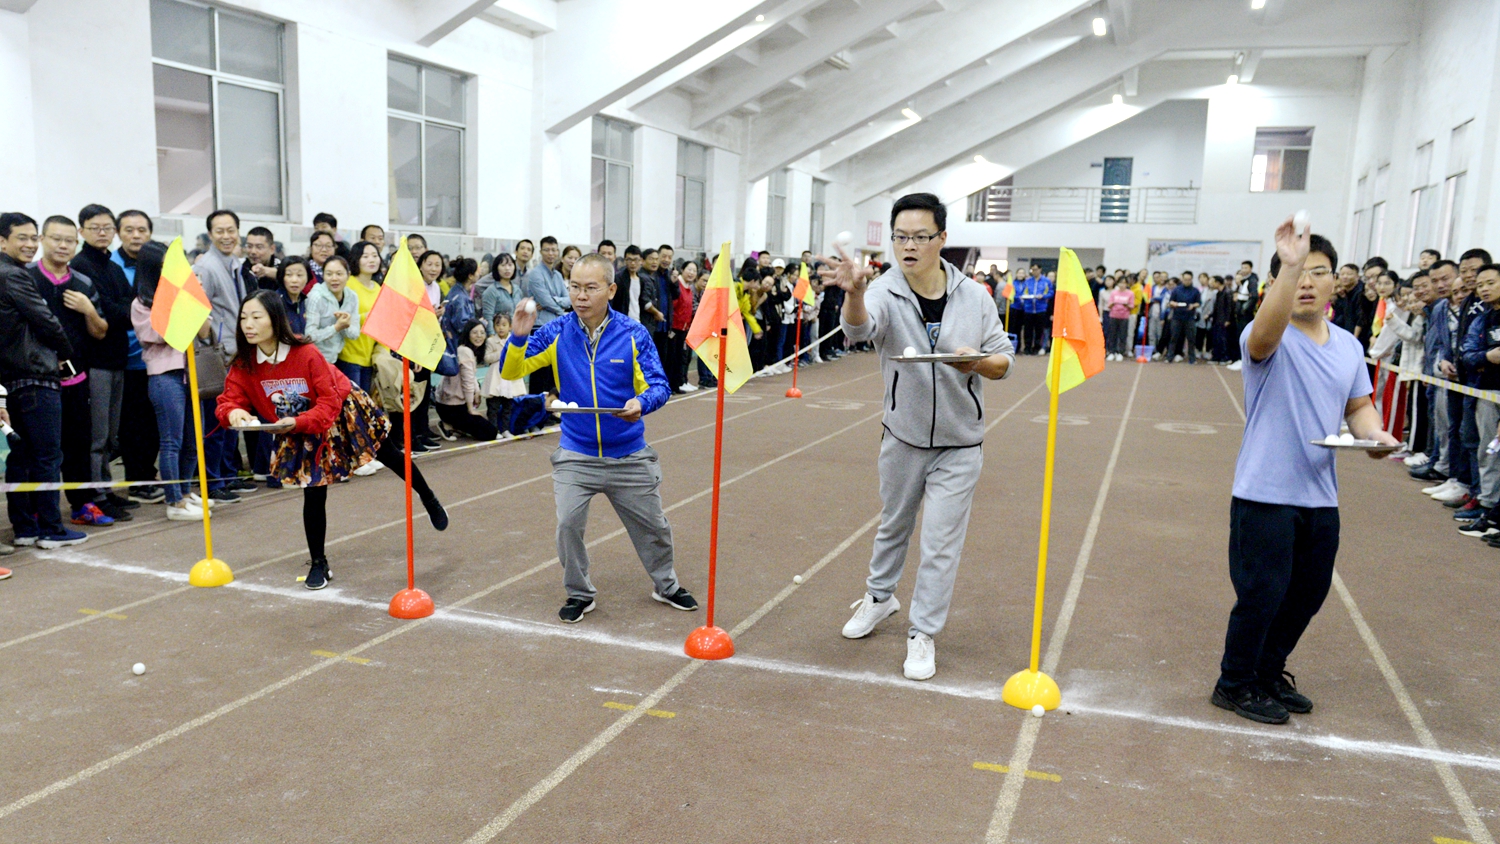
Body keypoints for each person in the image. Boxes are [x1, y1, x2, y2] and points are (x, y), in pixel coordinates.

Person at [1212, 217, 1399, 725]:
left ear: (1336, 280)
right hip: (1264, 492)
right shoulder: (1267, 334)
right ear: (1280, 282)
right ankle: (1234, 682)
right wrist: (1289, 265)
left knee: (1307, 595)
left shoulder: (1348, 346)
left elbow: (1359, 406)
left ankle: (1268, 671)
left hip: (1320, 495)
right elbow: (1262, 338)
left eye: (1319, 272)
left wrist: (1375, 435)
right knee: (1262, 595)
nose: (1308, 282)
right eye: (1297, 274)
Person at [823, 192, 1014, 681]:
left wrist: (977, 362)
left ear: (942, 239)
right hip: (903, 437)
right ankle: (879, 598)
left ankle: (923, 632)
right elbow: (860, 332)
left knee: (940, 543)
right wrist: (854, 293)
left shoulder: (975, 296)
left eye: (920, 237)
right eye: (900, 237)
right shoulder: (883, 291)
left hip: (960, 443)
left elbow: (1003, 360)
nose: (908, 245)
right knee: (893, 526)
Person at [502, 253, 696, 623]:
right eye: (574, 287)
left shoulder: (633, 333)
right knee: (567, 524)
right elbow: (512, 371)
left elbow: (659, 385)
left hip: (629, 455)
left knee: (654, 527)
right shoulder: (557, 331)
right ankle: (579, 592)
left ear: (610, 290)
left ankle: (666, 584)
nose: (580, 295)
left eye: (590, 288)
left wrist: (640, 403)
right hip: (576, 454)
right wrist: (519, 336)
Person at [217, 291, 448, 589]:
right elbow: (228, 401)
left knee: (389, 454)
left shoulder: (305, 353)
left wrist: (297, 422)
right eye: (243, 318)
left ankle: (428, 497)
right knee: (313, 488)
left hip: (339, 408)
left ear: (275, 320)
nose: (248, 324)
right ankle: (319, 563)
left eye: (256, 317)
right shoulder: (244, 362)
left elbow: (328, 404)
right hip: (297, 425)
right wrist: (234, 412)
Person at [1, 212, 89, 550]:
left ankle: (24, 528)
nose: (29, 244)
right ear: (2, 242)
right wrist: (66, 355)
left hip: (11, 379)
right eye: (21, 238)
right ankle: (51, 529)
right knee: (48, 456)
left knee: (21, 457)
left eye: (32, 237)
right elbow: (47, 321)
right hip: (35, 375)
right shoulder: (13, 275)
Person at [34, 216, 112, 526]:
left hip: (76, 378)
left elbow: (100, 332)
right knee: (41, 449)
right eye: (56, 238)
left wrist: (88, 310)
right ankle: (39, 511)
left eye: (69, 241)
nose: (63, 245)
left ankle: (82, 505)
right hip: (37, 380)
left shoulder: (83, 283)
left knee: (79, 445)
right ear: (42, 239)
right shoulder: (25, 278)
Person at [129, 241, 209, 521]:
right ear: (153, 268)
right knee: (172, 441)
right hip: (165, 376)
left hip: (191, 374)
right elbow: (163, 334)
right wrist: (181, 302)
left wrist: (196, 298)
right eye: (165, 265)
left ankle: (185, 493)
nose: (172, 270)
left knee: (192, 440)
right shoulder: (141, 303)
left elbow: (204, 332)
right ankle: (174, 501)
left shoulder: (182, 294)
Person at [70, 204, 139, 521]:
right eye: (95, 227)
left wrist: (120, 312)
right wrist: (120, 312)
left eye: (107, 227)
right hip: (94, 361)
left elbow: (131, 307)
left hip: (117, 358)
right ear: (82, 231)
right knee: (97, 437)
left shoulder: (112, 266)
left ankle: (107, 490)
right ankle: (97, 496)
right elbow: (112, 310)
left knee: (111, 435)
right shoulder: (80, 266)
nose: (102, 232)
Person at [194, 209, 251, 502]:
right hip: (218, 355)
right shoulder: (205, 267)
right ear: (210, 234)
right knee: (215, 423)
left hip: (236, 352)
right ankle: (213, 483)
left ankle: (227, 475)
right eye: (220, 231)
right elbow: (199, 313)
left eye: (231, 230)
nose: (226, 236)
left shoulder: (234, 263)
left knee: (230, 420)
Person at [111, 210, 163, 504]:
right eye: (129, 230)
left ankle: (148, 475)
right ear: (119, 233)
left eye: (142, 230)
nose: (136, 235)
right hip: (126, 358)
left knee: (154, 424)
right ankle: (137, 480)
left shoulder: (159, 264)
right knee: (132, 426)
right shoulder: (112, 265)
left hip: (157, 360)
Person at [435, 319, 500, 441]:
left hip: (455, 403)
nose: (479, 336)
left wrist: (477, 392)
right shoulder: (465, 351)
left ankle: (455, 425)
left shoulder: (468, 350)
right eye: (475, 332)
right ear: (467, 334)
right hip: (450, 406)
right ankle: (446, 424)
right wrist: (471, 409)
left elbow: (471, 377)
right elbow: (467, 382)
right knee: (490, 433)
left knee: (485, 428)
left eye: (482, 333)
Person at [336, 242, 382, 392]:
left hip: (369, 356)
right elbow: (340, 317)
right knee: (353, 403)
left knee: (366, 403)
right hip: (348, 356)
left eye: (375, 256)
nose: (371, 260)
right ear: (356, 259)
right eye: (365, 256)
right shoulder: (348, 284)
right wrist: (366, 317)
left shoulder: (378, 288)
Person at [481, 253, 520, 329]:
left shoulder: (517, 289)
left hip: (515, 333)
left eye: (510, 265)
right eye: (503, 265)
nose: (507, 268)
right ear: (496, 268)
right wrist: (491, 334)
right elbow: (488, 318)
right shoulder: (491, 291)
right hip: (498, 334)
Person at [242, 226, 282, 292]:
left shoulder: (281, 266)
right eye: (249, 246)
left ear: (272, 249)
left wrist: (266, 271)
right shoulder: (240, 267)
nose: (253, 252)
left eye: (259, 247)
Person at [1104, 276, 1134, 360]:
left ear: (1127, 284)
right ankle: (1111, 352)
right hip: (1113, 315)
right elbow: (1109, 305)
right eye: (1120, 283)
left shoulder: (1130, 293)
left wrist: (1126, 305)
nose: (1122, 285)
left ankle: (1120, 352)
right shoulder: (1114, 292)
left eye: (1124, 283)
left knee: (1122, 335)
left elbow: (1131, 306)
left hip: (1124, 317)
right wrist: (1113, 303)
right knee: (1112, 335)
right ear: (1117, 283)